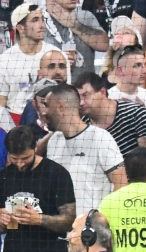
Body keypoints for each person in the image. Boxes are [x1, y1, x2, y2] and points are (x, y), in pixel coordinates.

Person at [42, 83, 128, 212]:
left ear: (60, 107)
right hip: (63, 228)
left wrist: (104, 220)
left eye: (47, 106)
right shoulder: (54, 141)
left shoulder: (100, 138)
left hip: (94, 227)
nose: (44, 112)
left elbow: (121, 185)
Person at [0, 124, 77, 252]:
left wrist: (39, 219)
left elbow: (70, 221)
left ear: (35, 147)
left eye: (25, 158)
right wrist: (2, 222)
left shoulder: (56, 174)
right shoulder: (4, 177)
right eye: (14, 158)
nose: (20, 164)